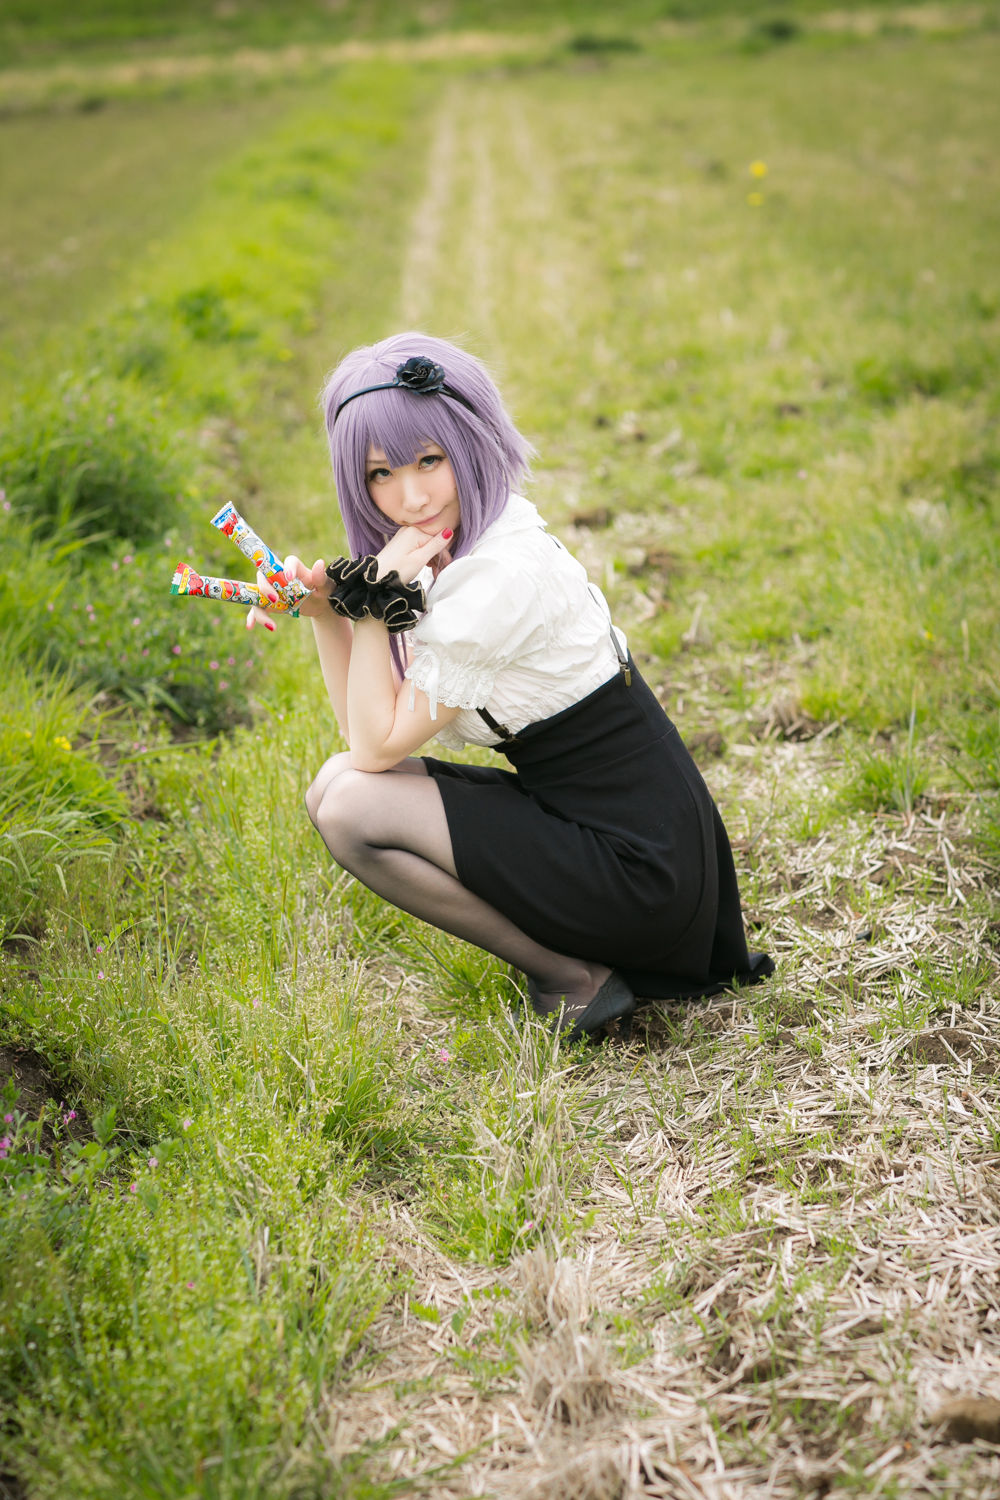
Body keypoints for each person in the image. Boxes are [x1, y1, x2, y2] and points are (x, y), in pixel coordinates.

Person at [247, 332, 772, 1040]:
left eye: (429, 460)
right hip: (593, 824)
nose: (410, 496)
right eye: (380, 474)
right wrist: (326, 615)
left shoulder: (498, 574)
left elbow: (375, 748)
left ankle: (572, 979)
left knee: (349, 805)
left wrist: (368, 606)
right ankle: (575, 968)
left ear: (469, 443)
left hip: (642, 867)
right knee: (334, 788)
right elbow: (363, 732)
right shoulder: (457, 550)